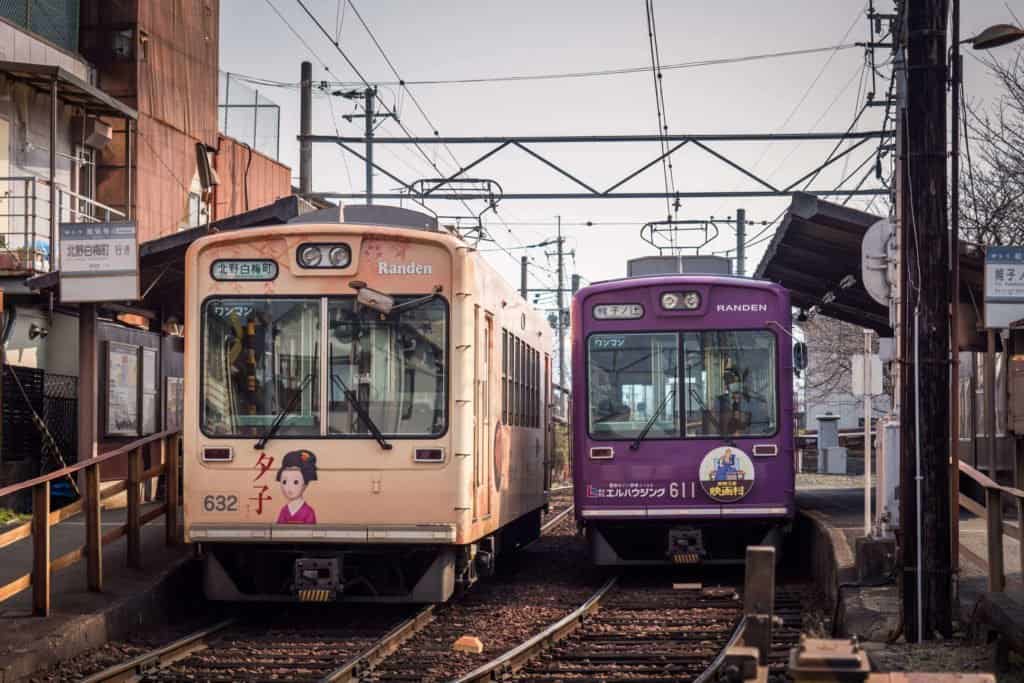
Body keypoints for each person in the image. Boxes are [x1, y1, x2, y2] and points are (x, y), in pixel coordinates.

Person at [276, 450, 318, 524]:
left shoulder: (308, 512)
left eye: (295, 482)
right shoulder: (284, 510)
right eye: (284, 482)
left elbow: (310, 532)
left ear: (305, 484)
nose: (288, 487)